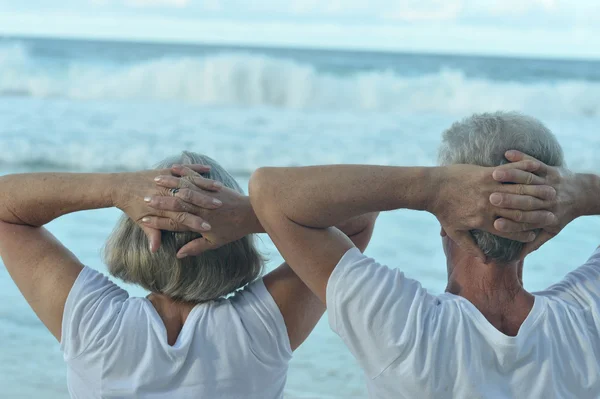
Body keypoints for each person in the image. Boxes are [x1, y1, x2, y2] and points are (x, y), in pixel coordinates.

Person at [148, 111, 600, 398]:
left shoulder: (401, 326)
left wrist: (432, 188)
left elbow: (271, 189)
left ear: (447, 218)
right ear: (550, 224)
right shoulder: (586, 321)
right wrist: (578, 192)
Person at [0, 151, 377, 398]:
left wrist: (115, 188)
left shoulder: (95, 326)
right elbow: (358, 221)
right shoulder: (260, 328)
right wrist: (250, 215)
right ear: (232, 240)